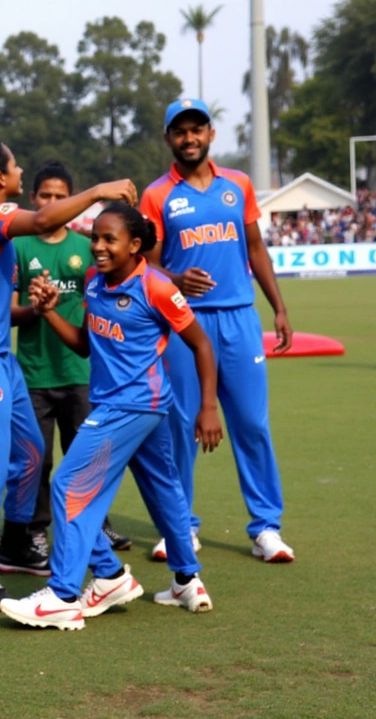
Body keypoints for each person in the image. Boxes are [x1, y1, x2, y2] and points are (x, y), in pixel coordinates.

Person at [0, 138, 136, 611]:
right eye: (14, 163)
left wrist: (34, 308)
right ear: (0, 178)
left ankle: (17, 543)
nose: (20, 168)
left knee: (30, 450)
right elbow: (44, 220)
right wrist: (97, 191)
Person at [0, 202, 222, 630]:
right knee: (164, 491)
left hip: (134, 405)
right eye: (95, 238)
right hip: (129, 406)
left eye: (109, 239)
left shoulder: (156, 287)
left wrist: (208, 408)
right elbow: (86, 344)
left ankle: (67, 593)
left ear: (135, 245)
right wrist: (47, 312)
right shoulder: (94, 281)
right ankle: (185, 580)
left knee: (68, 484)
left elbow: (201, 344)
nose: (97, 247)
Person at [140, 98, 295, 564]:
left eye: (197, 129)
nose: (189, 138)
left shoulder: (239, 185)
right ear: (169, 138)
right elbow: (146, 260)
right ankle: (179, 526)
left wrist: (280, 308)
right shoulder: (157, 195)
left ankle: (266, 527)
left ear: (210, 134)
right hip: (185, 323)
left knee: (252, 423)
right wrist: (173, 278)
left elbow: (256, 248)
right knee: (180, 425)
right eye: (180, 131)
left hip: (240, 319)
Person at [11, 162, 132, 553]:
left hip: (81, 371)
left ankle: (99, 524)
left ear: (73, 201)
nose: (52, 202)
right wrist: (37, 308)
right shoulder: (18, 245)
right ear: (32, 199)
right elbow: (6, 311)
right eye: (45, 196)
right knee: (38, 460)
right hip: (34, 374)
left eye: (60, 196)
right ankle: (35, 530)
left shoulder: (86, 247)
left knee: (90, 457)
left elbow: (106, 305)